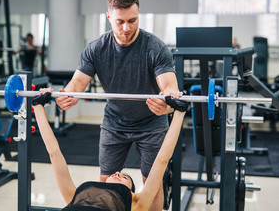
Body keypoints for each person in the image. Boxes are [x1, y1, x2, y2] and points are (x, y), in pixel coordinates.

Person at [55, 0, 179, 210]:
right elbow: (76, 85)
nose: (126, 28)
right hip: (114, 123)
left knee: (153, 184)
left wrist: (167, 104)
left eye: (133, 20)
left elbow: (170, 89)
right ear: (109, 16)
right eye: (120, 21)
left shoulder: (156, 48)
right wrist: (68, 96)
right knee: (105, 185)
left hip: (151, 123)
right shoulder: (96, 49)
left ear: (139, 14)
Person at [32, 88, 188, 211]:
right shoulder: (134, 202)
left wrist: (37, 105)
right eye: (123, 176)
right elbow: (54, 153)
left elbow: (162, 161)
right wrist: (38, 106)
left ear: (133, 194)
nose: (118, 173)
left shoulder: (136, 203)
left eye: (124, 178)